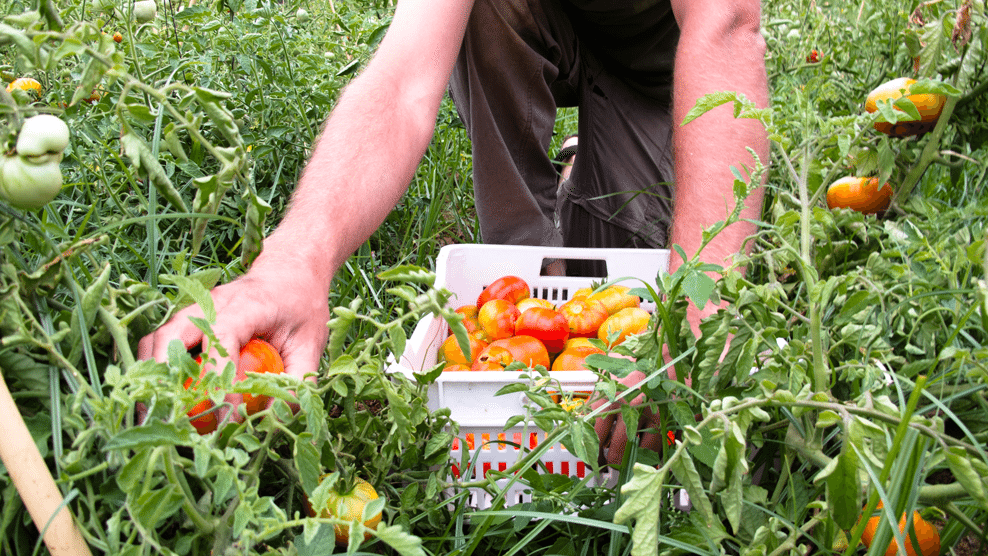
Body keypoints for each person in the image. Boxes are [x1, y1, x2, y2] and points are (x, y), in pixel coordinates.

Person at [138, 0, 769, 465]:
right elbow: (405, 79)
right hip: (536, 22)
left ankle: (587, 159)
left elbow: (726, 23)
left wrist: (695, 311)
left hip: (659, 68)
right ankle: (518, 263)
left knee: (634, 271)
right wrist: (296, 258)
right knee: (538, 309)